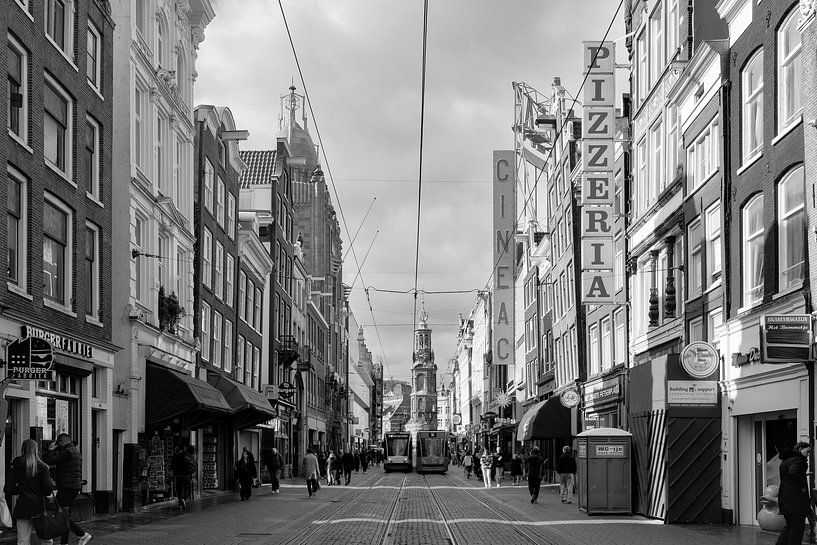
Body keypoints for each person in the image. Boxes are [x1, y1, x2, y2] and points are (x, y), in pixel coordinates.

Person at [5, 439, 59, 545]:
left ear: (22, 449)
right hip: (40, 508)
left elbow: (7, 489)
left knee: (23, 540)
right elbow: (48, 490)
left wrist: (22, 490)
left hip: (23, 507)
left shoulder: (17, 466)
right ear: (36, 450)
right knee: (46, 539)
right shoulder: (43, 467)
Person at [43, 433, 92, 545]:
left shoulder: (66, 452)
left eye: (58, 444)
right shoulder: (74, 450)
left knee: (61, 514)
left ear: (62, 442)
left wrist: (50, 449)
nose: (57, 446)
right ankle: (64, 542)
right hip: (73, 487)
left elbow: (50, 460)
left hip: (67, 487)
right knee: (64, 514)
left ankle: (82, 534)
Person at [777, 442, 812, 545]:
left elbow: (789, 475)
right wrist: (802, 486)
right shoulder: (798, 460)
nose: (808, 454)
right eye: (808, 451)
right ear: (800, 448)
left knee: (789, 526)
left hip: (785, 499)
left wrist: (803, 474)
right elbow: (794, 473)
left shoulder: (786, 460)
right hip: (795, 500)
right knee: (797, 528)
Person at [173, 445, 196, 509]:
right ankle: (184, 499)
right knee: (187, 488)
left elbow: (173, 465)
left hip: (178, 475)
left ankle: (180, 501)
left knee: (179, 489)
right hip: (186, 475)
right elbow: (193, 465)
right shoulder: (188, 456)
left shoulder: (176, 455)